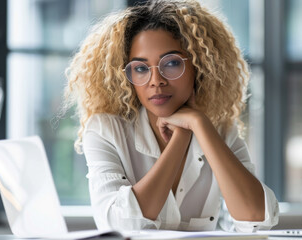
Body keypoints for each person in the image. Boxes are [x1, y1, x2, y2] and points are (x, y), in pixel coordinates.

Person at [62, 0, 279, 233]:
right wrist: (181, 137)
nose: (156, 80)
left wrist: (199, 124)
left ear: (200, 66)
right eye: (141, 68)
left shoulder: (219, 129)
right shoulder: (105, 129)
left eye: (172, 63)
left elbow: (257, 217)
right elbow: (120, 225)